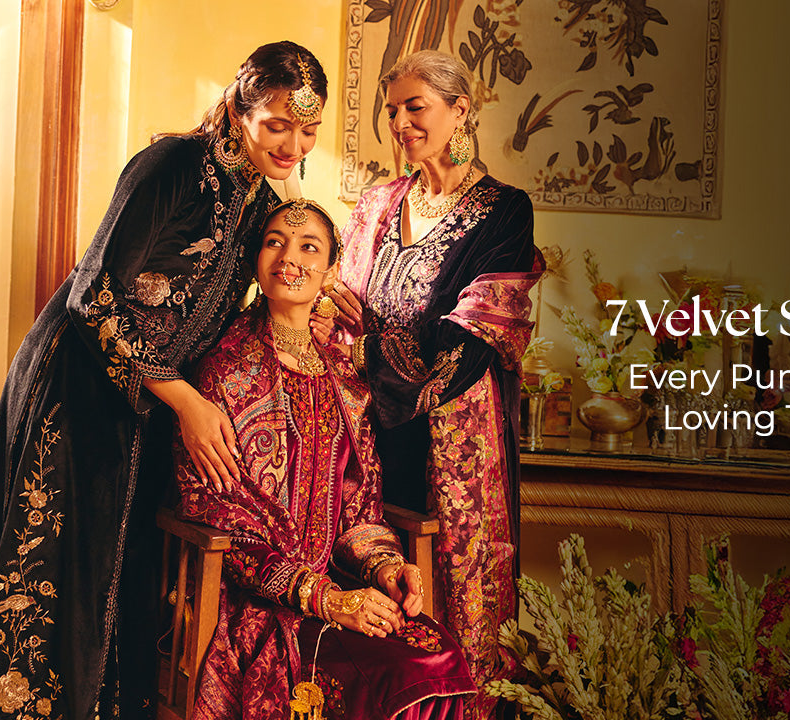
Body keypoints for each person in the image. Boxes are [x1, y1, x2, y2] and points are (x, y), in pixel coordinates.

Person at [0, 42, 327, 719]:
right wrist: (186, 400)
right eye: (278, 124)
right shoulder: (173, 165)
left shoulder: (259, 201)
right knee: (56, 573)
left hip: (148, 410)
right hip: (74, 388)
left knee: (120, 583)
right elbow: (92, 298)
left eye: (307, 130)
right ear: (240, 108)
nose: (293, 145)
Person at [174, 198, 476, 719]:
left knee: (440, 658)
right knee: (400, 674)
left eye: (309, 247)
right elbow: (220, 516)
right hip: (258, 599)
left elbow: (360, 510)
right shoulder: (224, 371)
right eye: (274, 242)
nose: (289, 257)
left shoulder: (346, 379)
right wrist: (324, 599)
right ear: (256, 260)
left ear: (332, 271)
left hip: (343, 585)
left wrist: (387, 569)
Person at [321, 50, 542, 719]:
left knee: (462, 602)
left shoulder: (504, 211)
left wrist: (371, 346)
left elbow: (470, 340)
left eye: (415, 107)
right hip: (365, 438)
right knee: (371, 586)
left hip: (454, 443)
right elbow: (333, 314)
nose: (400, 123)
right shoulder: (377, 204)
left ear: (460, 110)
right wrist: (348, 329)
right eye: (392, 110)